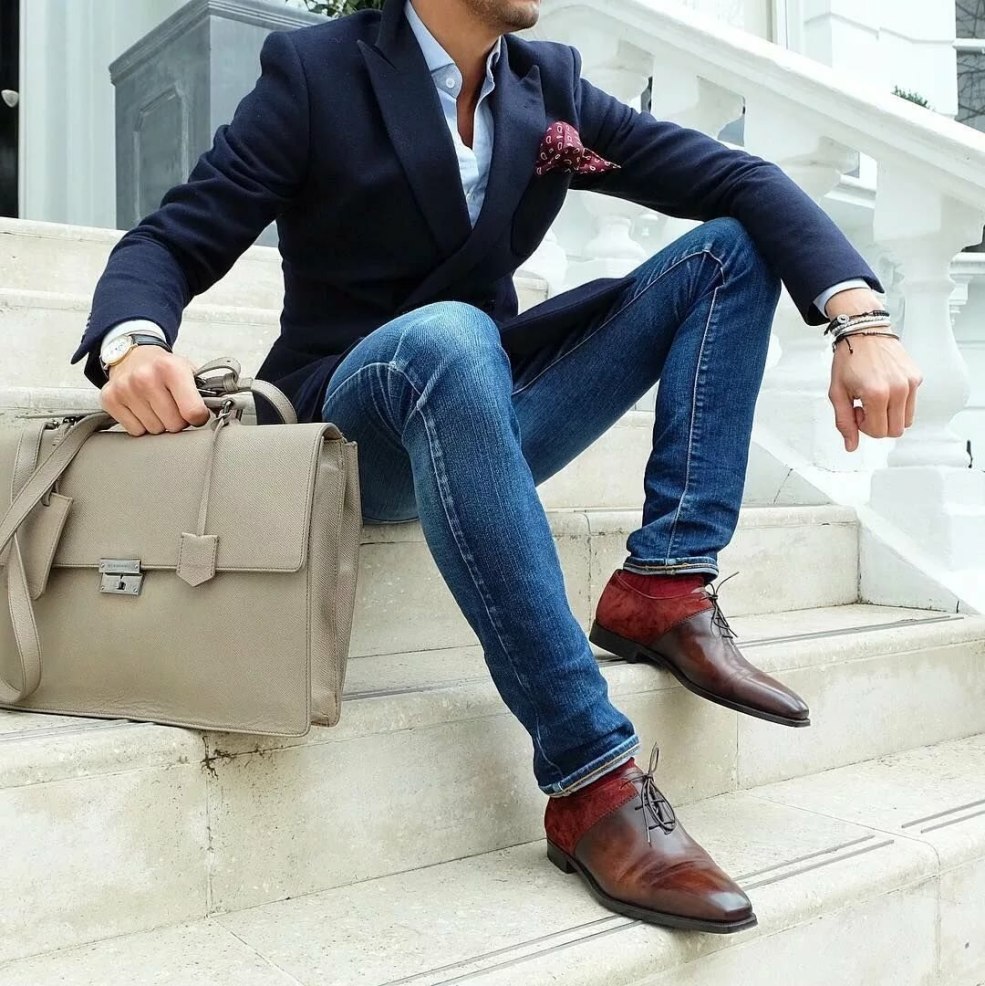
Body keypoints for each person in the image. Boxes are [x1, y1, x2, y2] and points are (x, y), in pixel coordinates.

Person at [72, 0, 922, 935]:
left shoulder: (546, 83)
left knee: (731, 247)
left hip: (490, 399)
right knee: (450, 333)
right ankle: (590, 779)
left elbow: (740, 176)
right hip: (356, 425)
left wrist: (859, 318)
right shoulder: (315, 72)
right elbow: (173, 237)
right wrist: (133, 342)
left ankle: (665, 582)